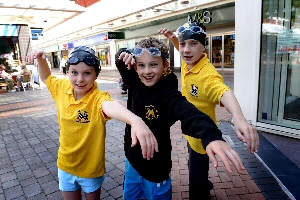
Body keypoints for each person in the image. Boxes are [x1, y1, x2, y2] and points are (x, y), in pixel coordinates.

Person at [116, 37, 245, 200]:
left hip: (156, 169)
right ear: (135, 66)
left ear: (166, 65)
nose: (147, 71)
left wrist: (210, 135)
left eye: (153, 64)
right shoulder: (134, 82)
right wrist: (124, 53)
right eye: (141, 65)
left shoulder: (169, 96)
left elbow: (189, 113)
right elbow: (120, 61)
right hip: (132, 160)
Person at [26, 46, 159, 200]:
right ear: (68, 72)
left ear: (96, 75)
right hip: (65, 165)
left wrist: (135, 120)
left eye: (87, 73)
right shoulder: (62, 88)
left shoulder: (98, 98)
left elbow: (109, 105)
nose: (80, 79)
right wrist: (41, 60)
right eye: (74, 72)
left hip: (91, 170)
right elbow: (46, 78)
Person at [158, 15, 260, 199]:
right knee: (194, 166)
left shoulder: (207, 74)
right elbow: (180, 48)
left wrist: (238, 117)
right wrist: (173, 38)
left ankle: (202, 191)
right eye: (183, 45)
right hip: (191, 132)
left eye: (193, 44)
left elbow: (223, 91)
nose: (186, 50)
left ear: (203, 46)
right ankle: (204, 183)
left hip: (205, 136)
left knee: (195, 182)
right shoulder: (188, 62)